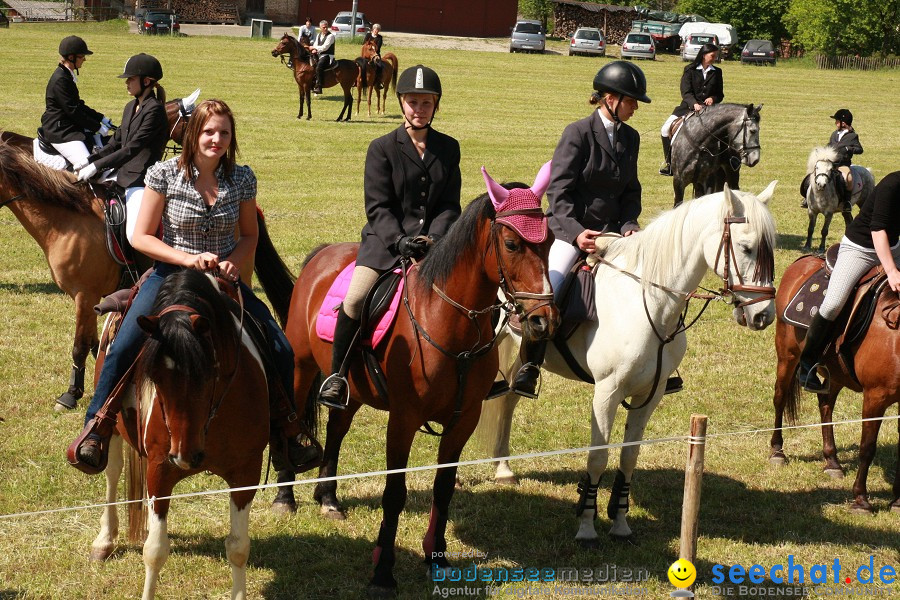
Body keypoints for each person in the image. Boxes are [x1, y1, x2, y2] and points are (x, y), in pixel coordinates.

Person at [67, 99, 320, 474]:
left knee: (279, 346)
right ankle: (97, 427)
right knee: (123, 346)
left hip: (222, 281)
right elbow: (140, 237)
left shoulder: (242, 178)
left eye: (224, 133)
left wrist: (234, 258)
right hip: (169, 276)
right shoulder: (163, 174)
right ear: (193, 134)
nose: (216, 139)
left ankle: (287, 432)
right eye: (208, 132)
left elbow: (251, 235)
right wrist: (186, 259)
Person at [317, 65, 461, 410]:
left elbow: (449, 205)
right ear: (401, 103)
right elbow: (378, 206)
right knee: (354, 300)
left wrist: (435, 239)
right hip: (385, 245)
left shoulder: (449, 148)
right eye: (413, 102)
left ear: (436, 105)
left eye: (426, 103)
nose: (419, 109)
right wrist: (399, 241)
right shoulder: (381, 148)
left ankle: (479, 374)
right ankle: (337, 377)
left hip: (433, 248)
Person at [510, 61, 650, 399]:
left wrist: (630, 226)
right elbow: (559, 192)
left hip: (616, 233)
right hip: (570, 231)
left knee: (651, 284)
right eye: (631, 101)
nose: (634, 108)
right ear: (611, 99)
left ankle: (657, 362)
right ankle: (530, 365)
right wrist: (575, 234)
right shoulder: (577, 133)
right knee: (551, 290)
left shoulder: (631, 138)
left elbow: (631, 190)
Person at [797, 170, 900, 392]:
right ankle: (807, 365)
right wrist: (891, 271)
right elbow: (878, 229)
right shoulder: (892, 185)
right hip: (861, 247)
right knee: (834, 302)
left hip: (893, 246)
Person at [74, 54, 168, 244]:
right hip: (122, 175)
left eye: (131, 79)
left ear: (146, 81)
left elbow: (132, 148)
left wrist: (96, 166)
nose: (127, 83)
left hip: (142, 180)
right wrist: (88, 160)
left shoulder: (155, 111)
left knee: (134, 235)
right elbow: (115, 143)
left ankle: (149, 270)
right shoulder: (130, 106)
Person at [40, 35, 113, 168]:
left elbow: (78, 104)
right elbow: (73, 111)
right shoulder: (61, 80)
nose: (84, 59)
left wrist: (101, 118)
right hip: (60, 131)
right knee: (88, 166)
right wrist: (97, 127)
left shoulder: (66, 75)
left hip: (68, 126)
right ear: (71, 57)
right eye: (81, 56)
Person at [658, 43, 724, 176]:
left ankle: (722, 163)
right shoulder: (690, 70)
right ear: (704, 55)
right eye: (712, 55)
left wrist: (713, 98)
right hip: (687, 108)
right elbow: (685, 91)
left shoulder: (717, 72)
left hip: (709, 110)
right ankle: (669, 163)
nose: (715, 58)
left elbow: (720, 94)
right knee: (665, 130)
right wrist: (694, 103)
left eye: (716, 56)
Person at [801, 109, 863, 209]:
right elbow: (829, 145)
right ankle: (807, 198)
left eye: (837, 121)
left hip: (843, 165)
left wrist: (849, 149)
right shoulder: (834, 134)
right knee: (813, 174)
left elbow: (860, 149)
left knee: (848, 178)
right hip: (830, 163)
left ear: (843, 123)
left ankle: (846, 201)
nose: (835, 123)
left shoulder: (853, 136)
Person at [310, 20, 336, 94]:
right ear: (320, 27)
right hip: (319, 54)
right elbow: (315, 44)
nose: (325, 29)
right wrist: (313, 49)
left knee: (319, 67)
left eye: (326, 27)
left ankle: (319, 87)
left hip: (327, 56)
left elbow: (325, 47)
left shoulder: (330, 36)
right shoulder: (318, 35)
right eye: (324, 27)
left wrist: (315, 49)